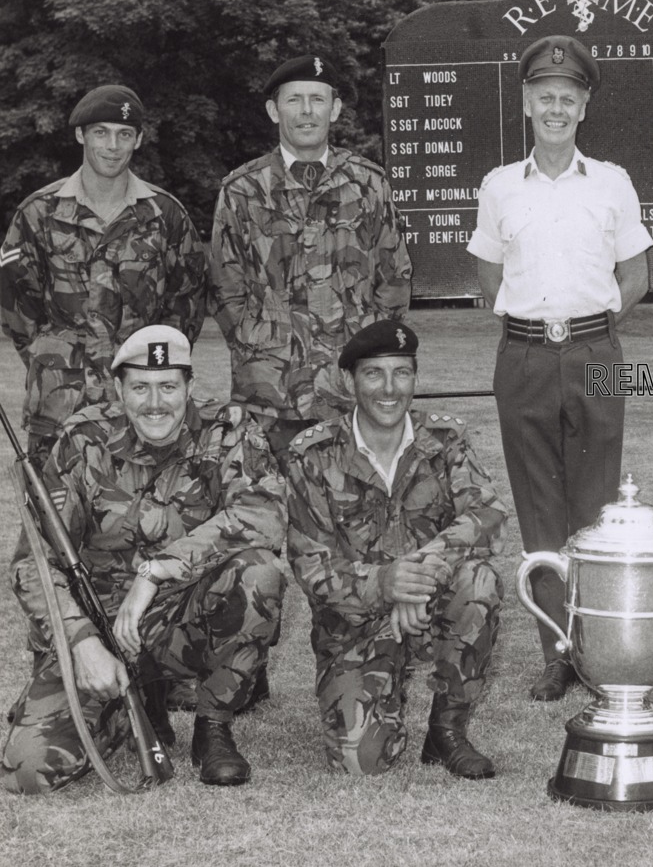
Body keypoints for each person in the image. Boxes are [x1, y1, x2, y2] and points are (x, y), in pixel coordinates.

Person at [0, 326, 286, 793]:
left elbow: (265, 513)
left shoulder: (228, 429)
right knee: (28, 771)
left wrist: (156, 571)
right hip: (102, 628)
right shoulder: (83, 438)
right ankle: (131, 705)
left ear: (190, 386)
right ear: (119, 389)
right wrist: (81, 643)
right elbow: (32, 561)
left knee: (260, 572)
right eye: (140, 387)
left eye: (169, 386)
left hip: (184, 617)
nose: (156, 403)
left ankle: (212, 727)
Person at [467, 35, 653, 702]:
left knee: (598, 503)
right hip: (522, 358)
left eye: (567, 98)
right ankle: (558, 652)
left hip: (597, 355)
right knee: (539, 506)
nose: (555, 107)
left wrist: (589, 327)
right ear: (525, 103)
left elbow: (636, 274)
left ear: (583, 107)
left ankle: (603, 646)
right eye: (543, 96)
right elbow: (488, 276)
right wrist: (536, 327)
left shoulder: (612, 182)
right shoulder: (498, 187)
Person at [285, 321, 506, 778]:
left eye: (401, 373)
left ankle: (447, 731)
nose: (389, 389)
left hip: (428, 608)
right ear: (350, 381)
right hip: (354, 622)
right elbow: (311, 566)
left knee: (479, 579)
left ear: (415, 377)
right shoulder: (314, 456)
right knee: (361, 762)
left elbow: (486, 515)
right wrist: (385, 584)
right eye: (374, 374)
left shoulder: (445, 441)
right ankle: (383, 697)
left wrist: (418, 576)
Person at [209, 55, 412, 461]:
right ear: (273, 110)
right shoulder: (242, 190)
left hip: (349, 386)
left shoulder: (368, 183)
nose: (306, 112)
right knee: (270, 507)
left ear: (334, 109)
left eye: (317, 100)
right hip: (269, 391)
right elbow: (223, 286)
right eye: (294, 100)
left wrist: (367, 346)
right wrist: (260, 344)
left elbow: (395, 278)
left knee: (353, 505)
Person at [0, 85, 207, 470]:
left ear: (139, 139)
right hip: (61, 404)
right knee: (53, 520)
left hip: (144, 405)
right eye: (101, 132)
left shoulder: (165, 214)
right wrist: (56, 359)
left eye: (124, 134)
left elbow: (187, 302)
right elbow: (15, 304)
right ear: (81, 135)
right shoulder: (39, 213)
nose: (113, 146)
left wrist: (151, 365)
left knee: (141, 520)